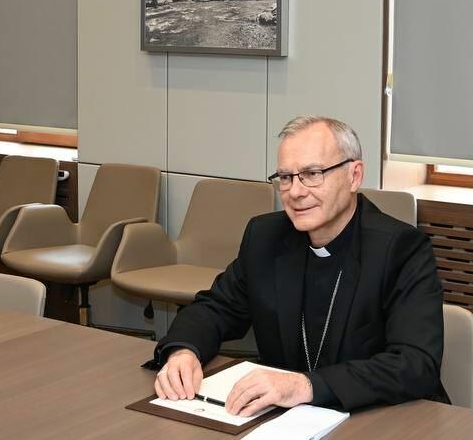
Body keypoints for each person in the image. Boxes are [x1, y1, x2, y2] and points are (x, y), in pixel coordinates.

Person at [151, 115, 446, 415]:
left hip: (382, 418)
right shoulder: (265, 237)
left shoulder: (401, 248)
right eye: (286, 177)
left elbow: (415, 363)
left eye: (312, 174)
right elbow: (214, 308)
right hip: (286, 421)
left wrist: (307, 386)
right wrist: (184, 351)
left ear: (354, 176)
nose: (295, 191)